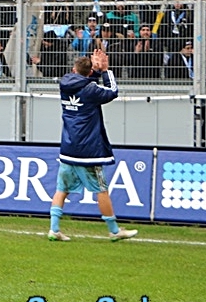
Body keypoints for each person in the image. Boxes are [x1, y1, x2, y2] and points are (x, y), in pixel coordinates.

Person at [47, 50, 138, 243]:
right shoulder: (91, 90)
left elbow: (83, 80)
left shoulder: (64, 84)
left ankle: (54, 229)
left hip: (68, 147)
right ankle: (114, 231)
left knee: (61, 189)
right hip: (87, 151)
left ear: (73, 70)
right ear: (89, 74)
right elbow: (112, 91)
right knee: (101, 190)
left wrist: (93, 71)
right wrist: (105, 71)